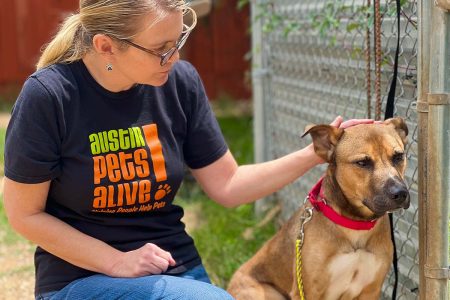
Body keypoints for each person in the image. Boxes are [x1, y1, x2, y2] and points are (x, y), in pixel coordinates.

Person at [3, 0, 374, 299]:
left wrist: (317, 152)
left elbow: (228, 185)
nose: (175, 58)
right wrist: (115, 262)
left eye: (177, 41)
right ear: (105, 46)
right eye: (161, 50)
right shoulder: (50, 96)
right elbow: (24, 215)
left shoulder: (178, 83)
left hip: (175, 269)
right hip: (80, 278)